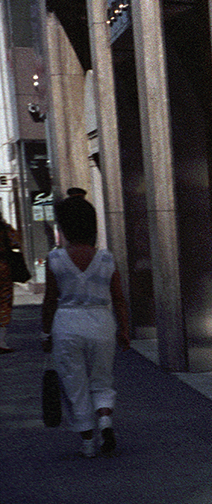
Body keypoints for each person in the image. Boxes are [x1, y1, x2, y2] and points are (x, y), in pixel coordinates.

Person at [41, 195, 132, 456]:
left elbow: (49, 301)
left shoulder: (55, 259)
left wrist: (45, 333)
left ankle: (88, 443)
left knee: (74, 382)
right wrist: (123, 330)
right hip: (102, 322)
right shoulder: (106, 259)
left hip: (67, 323)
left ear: (65, 227)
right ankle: (105, 421)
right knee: (102, 378)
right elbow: (119, 299)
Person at [1, 215, 23, 353]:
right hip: (3, 269)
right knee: (4, 303)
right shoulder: (5, 228)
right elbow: (16, 242)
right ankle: (1, 341)